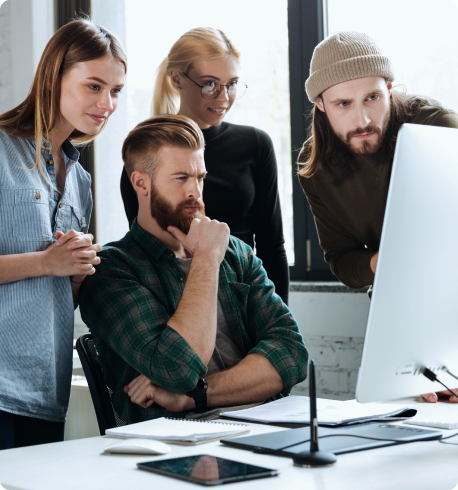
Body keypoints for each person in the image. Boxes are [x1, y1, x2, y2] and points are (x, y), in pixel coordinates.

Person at [79, 115, 307, 424]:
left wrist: (194, 395)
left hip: (266, 420)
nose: (195, 192)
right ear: (141, 183)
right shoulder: (112, 270)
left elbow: (292, 354)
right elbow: (178, 368)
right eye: (181, 178)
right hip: (178, 441)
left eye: (199, 177)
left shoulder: (234, 252)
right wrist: (205, 260)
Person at [298, 31, 458, 404]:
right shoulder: (315, 165)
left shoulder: (438, 127)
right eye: (343, 104)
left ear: (389, 87)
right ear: (320, 104)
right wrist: (385, 261)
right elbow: (342, 261)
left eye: (373, 97)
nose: (363, 118)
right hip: (402, 318)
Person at [0, 19, 127, 450]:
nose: (107, 103)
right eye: (94, 86)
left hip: (45, 390)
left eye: (115, 91)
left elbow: (55, 292)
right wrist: (44, 262)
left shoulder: (81, 180)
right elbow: (42, 266)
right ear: (54, 77)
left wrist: (74, 275)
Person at [120, 27, 290, 305]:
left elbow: (272, 247)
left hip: (249, 303)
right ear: (176, 79)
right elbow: (148, 254)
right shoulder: (145, 159)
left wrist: (278, 319)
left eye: (232, 83)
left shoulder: (256, 144)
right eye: (210, 84)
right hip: (182, 306)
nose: (223, 98)